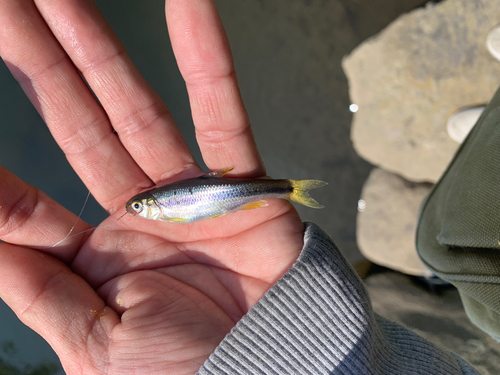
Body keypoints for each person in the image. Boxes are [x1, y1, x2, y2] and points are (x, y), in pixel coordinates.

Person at [0, 0, 481, 374]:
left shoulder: (159, 211)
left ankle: (291, 189)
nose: (143, 209)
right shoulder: (159, 211)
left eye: (144, 206)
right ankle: (292, 189)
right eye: (145, 207)